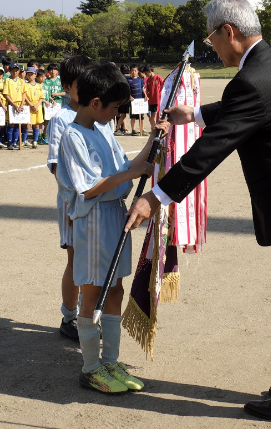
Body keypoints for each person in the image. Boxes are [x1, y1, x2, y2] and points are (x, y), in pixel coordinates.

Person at [125, 0, 271, 423]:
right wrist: (193, 113)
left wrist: (154, 196)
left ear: (228, 32)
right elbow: (249, 108)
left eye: (211, 38)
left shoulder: (251, 80)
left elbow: (210, 151)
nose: (211, 47)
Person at [56, 62, 167, 394]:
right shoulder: (72, 136)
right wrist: (132, 175)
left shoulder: (102, 130)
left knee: (115, 289)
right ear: (95, 104)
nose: (117, 115)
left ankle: (111, 360)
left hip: (115, 219)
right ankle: (91, 368)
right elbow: (88, 188)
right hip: (92, 222)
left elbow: (129, 167)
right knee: (92, 294)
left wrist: (152, 139)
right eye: (115, 108)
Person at [46, 54, 94, 342]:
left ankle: (89, 312)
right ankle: (70, 316)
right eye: (81, 84)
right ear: (66, 86)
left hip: (97, 200)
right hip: (73, 203)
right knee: (76, 258)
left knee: (93, 258)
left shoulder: (98, 115)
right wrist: (78, 195)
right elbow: (56, 167)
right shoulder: (61, 119)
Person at [2, 62, 26, 150]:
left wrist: (22, 104)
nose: (15, 72)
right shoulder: (7, 80)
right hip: (12, 104)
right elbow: (6, 94)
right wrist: (14, 105)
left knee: (18, 124)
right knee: (11, 124)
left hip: (20, 104)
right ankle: (9, 142)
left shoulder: (21, 81)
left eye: (16, 70)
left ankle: (15, 142)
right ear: (10, 70)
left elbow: (24, 93)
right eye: (13, 70)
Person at [24, 67, 44, 148]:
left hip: (37, 107)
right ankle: (23, 140)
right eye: (28, 74)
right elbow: (24, 96)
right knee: (27, 125)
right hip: (29, 107)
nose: (30, 76)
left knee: (36, 125)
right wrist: (31, 105)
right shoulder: (25, 85)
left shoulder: (39, 86)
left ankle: (35, 141)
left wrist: (37, 105)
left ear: (35, 75)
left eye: (32, 74)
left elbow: (41, 97)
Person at [126, 63, 147, 136]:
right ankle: (133, 130)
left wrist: (146, 96)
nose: (133, 72)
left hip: (140, 101)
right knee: (133, 117)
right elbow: (126, 90)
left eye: (135, 70)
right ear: (130, 71)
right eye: (132, 70)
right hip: (132, 102)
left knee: (142, 117)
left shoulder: (140, 80)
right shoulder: (128, 80)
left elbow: (143, 89)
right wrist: (129, 96)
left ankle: (142, 129)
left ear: (138, 71)